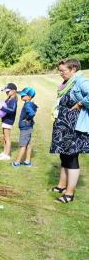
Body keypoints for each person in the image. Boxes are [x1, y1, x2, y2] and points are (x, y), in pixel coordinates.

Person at [50, 59, 88, 203]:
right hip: (63, 125)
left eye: (63, 71)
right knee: (64, 156)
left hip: (73, 127)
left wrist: (80, 103)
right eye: (59, 70)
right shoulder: (67, 83)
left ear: (73, 69)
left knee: (71, 158)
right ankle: (61, 186)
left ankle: (69, 193)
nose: (60, 73)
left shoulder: (80, 82)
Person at [12, 87, 38, 167]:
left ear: (29, 97)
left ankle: (17, 162)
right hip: (28, 128)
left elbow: (32, 113)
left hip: (25, 128)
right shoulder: (30, 103)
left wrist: (27, 119)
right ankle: (27, 161)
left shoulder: (27, 104)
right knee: (28, 145)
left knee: (23, 145)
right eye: (21, 95)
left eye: (23, 95)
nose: (21, 96)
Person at [0, 83, 18, 161]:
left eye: (8, 91)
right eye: (6, 91)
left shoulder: (13, 100)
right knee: (4, 137)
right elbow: (4, 106)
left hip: (9, 121)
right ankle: (4, 152)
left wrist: (2, 108)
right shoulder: (8, 99)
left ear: (14, 91)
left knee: (7, 138)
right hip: (4, 120)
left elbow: (12, 110)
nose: (6, 92)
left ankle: (7, 155)